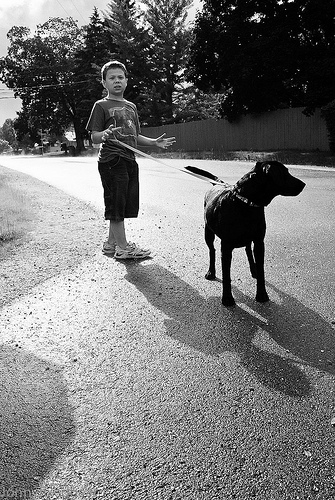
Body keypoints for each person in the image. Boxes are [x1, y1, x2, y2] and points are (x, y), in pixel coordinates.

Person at [86, 60, 175, 259]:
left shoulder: (131, 107)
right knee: (116, 204)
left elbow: (135, 136)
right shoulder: (100, 105)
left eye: (120, 77)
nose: (116, 81)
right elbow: (94, 137)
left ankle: (111, 244)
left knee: (123, 203)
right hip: (111, 160)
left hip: (129, 159)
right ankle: (123, 248)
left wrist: (154, 143)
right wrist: (105, 134)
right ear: (104, 83)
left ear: (126, 81)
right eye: (112, 78)